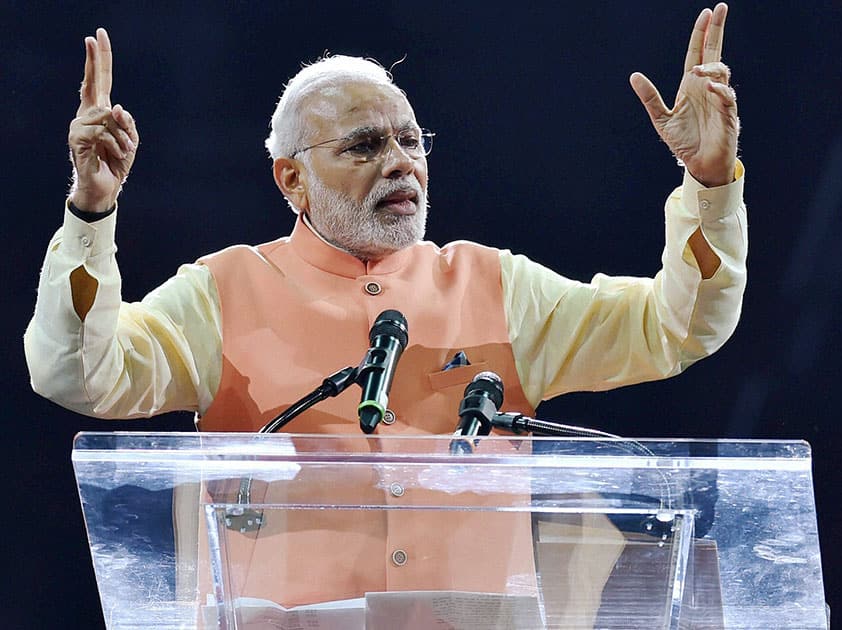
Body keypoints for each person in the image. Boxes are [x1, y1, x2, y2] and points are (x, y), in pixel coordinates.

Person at [25, 2, 746, 611]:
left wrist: (708, 186)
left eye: (410, 140)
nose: (401, 161)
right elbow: (80, 374)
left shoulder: (498, 285)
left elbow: (675, 328)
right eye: (365, 145)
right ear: (292, 179)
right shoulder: (221, 292)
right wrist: (90, 211)